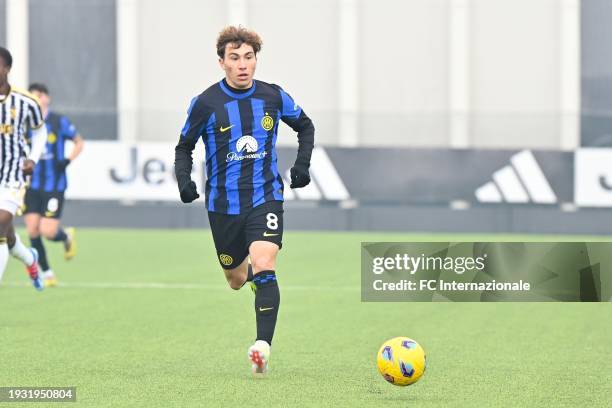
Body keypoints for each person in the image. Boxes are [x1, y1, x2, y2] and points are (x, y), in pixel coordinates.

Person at [174, 26, 314, 375]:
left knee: (265, 262)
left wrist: (301, 166)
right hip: (222, 206)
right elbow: (184, 146)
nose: (243, 65)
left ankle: (262, 347)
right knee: (237, 279)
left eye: (248, 57)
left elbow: (306, 126)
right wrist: (184, 180)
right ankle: (256, 282)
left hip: (265, 197)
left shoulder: (272, 96)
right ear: (221, 62)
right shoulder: (205, 103)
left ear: (255, 60)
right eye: (234, 58)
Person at [24, 83, 84, 287]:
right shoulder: (24, 122)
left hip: (54, 185)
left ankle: (66, 236)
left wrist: (67, 161)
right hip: (31, 185)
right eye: (33, 96)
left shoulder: (58, 121)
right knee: (32, 229)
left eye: (40, 95)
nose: (37, 99)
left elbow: (79, 142)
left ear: (47, 98)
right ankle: (47, 273)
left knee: (48, 231)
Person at [0, 47, 48, 290]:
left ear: (7, 68)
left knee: (0, 222)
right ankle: (30, 258)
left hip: (12, 175)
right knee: (5, 235)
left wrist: (33, 158)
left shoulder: (26, 102)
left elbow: (40, 131)